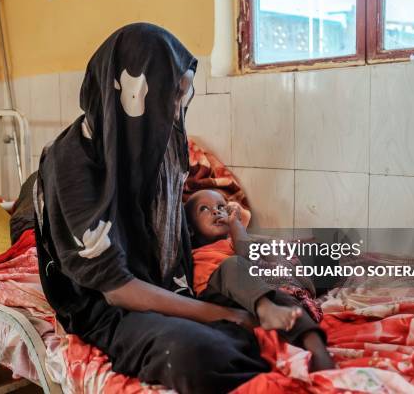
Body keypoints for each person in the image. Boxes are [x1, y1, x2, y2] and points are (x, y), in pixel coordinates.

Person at [34, 23, 271, 394]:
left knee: (273, 304)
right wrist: (219, 313)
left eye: (181, 95)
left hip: (168, 287)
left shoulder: (163, 146)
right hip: (108, 307)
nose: (175, 109)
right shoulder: (71, 160)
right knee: (199, 354)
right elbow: (116, 288)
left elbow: (172, 233)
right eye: (170, 94)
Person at [185, 189, 335, 371]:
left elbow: (252, 258)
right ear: (190, 229)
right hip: (222, 297)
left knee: (281, 296)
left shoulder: (237, 240)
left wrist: (236, 226)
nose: (216, 211)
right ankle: (267, 310)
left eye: (221, 207)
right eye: (204, 209)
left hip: (257, 294)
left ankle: (319, 350)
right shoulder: (194, 255)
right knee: (234, 265)